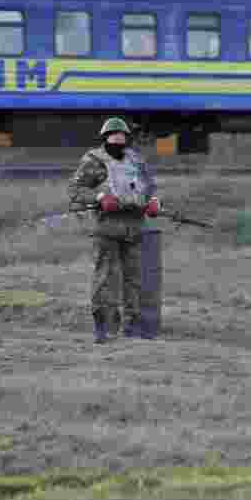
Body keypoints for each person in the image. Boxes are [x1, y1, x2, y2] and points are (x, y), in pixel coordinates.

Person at [68, 117, 160, 343]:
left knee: (135, 279)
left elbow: (150, 187)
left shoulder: (136, 161)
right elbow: (75, 189)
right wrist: (99, 197)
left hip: (135, 226)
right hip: (107, 227)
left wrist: (155, 202)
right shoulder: (92, 161)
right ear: (105, 138)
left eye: (122, 137)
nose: (118, 140)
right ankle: (104, 328)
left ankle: (134, 328)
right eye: (114, 136)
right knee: (105, 278)